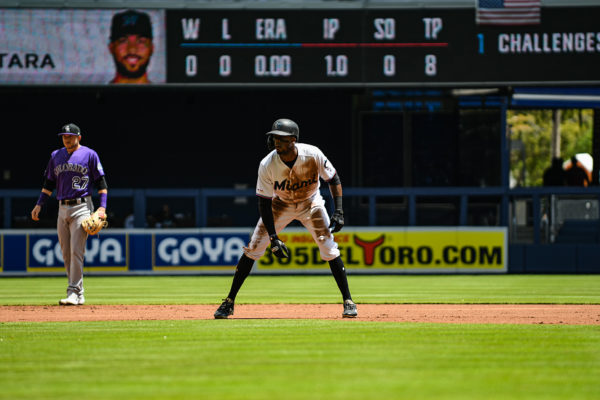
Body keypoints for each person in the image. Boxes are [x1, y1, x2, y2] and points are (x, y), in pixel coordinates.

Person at [214, 118, 357, 319]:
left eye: (280, 138)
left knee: (328, 246)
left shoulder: (312, 154)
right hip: (280, 204)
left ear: (293, 139)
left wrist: (339, 210)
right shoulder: (267, 164)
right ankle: (229, 302)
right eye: (274, 138)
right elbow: (264, 202)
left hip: (311, 202)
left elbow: (333, 178)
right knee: (253, 248)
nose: (275, 142)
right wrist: (273, 237)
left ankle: (348, 301)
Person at [31, 123, 108, 306]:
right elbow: (49, 183)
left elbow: (102, 184)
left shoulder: (90, 154)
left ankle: (72, 291)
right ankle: (79, 293)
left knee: (76, 251)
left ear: (78, 137)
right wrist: (39, 204)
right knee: (66, 253)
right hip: (62, 207)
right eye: (64, 136)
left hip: (82, 206)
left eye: (70, 136)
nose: (66, 138)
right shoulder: (55, 156)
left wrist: (102, 208)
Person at [108, 9, 154, 84]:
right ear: (111, 47)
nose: (132, 49)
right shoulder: (97, 94)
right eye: (123, 41)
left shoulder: (166, 95)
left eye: (141, 41)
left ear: (152, 48)